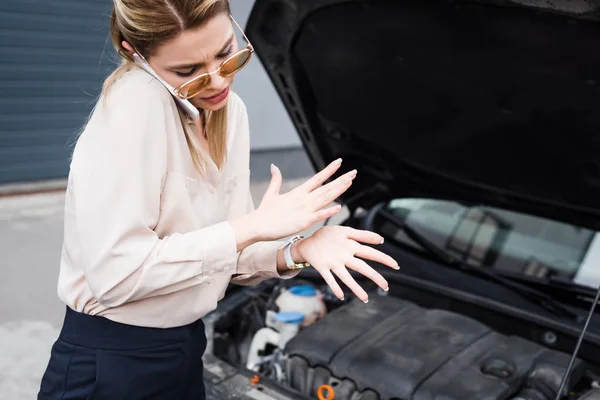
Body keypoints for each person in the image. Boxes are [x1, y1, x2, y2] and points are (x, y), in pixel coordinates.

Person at [37, 0, 399, 399]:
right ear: (132, 52)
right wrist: (251, 227)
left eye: (227, 53)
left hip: (181, 347)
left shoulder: (230, 112)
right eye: (187, 71)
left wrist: (298, 250)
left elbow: (224, 255)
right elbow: (116, 276)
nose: (216, 82)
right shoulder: (133, 110)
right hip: (113, 362)